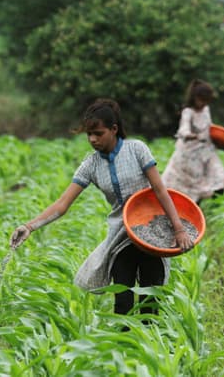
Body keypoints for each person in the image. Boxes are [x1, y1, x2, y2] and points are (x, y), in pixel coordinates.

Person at [10, 98, 194, 316]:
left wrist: (179, 229)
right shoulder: (91, 164)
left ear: (114, 129)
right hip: (121, 237)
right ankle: (123, 346)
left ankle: (148, 346)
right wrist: (29, 227)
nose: (92, 139)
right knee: (123, 303)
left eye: (98, 133)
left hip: (151, 234)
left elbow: (160, 190)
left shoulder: (137, 150)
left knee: (149, 303)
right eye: (89, 134)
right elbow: (62, 204)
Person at [161, 79, 224, 203]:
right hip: (189, 156)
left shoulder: (206, 110)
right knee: (190, 186)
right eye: (201, 100)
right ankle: (192, 210)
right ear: (194, 97)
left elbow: (210, 126)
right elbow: (183, 130)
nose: (203, 104)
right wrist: (193, 136)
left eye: (206, 101)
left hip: (206, 152)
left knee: (219, 177)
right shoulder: (188, 112)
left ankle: (208, 204)